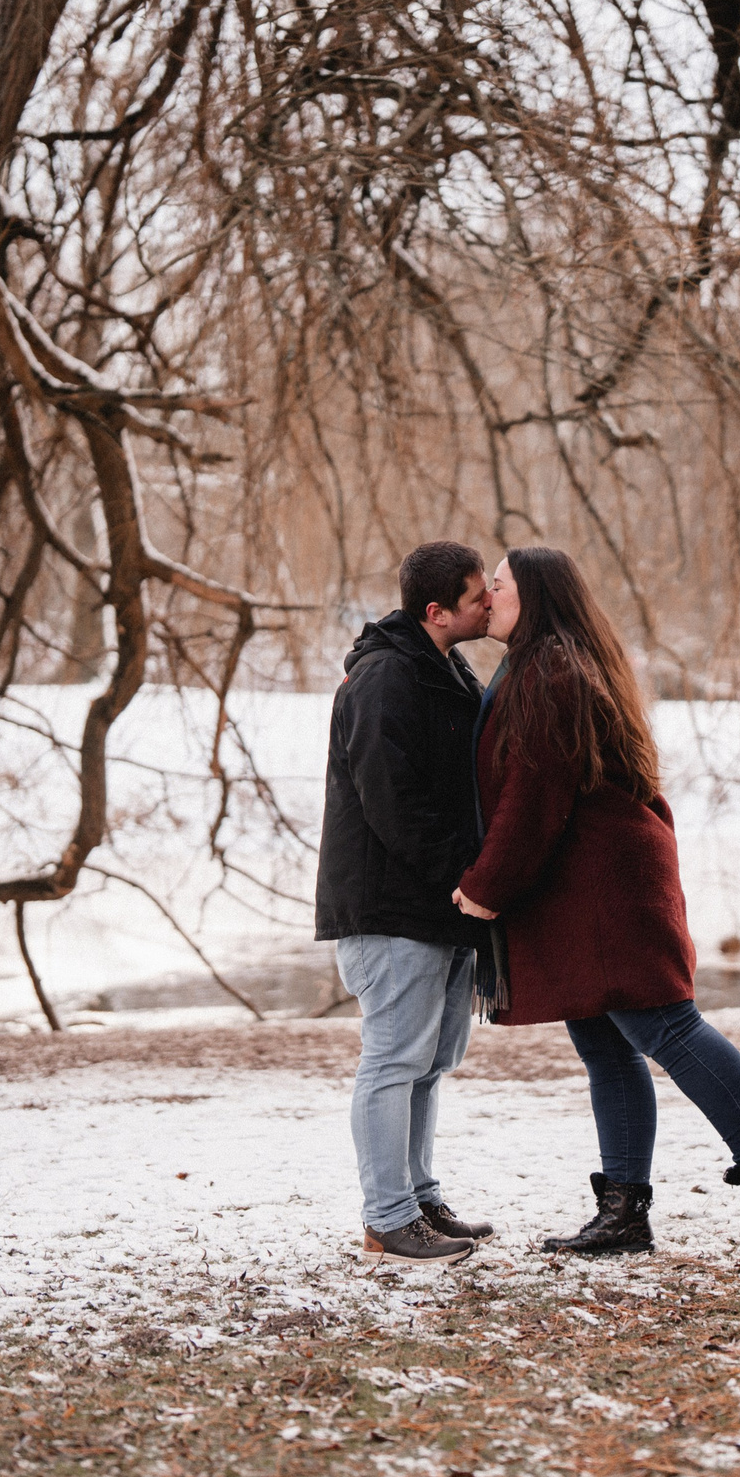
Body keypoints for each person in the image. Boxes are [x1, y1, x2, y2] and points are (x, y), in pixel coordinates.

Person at [455, 548, 740, 1263]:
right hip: (589, 888)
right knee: (605, 1044)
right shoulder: (547, 662)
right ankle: (624, 1210)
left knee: (665, 1026)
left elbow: (534, 799)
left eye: (498, 584)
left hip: (608, 890)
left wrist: (484, 886)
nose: (489, 594)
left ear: (533, 594)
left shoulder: (552, 671)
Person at [316, 541, 500, 1266]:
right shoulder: (387, 678)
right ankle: (387, 1219)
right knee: (393, 1060)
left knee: (426, 1062)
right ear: (437, 610)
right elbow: (393, 804)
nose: (489, 603)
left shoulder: (444, 670)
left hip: (436, 906)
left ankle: (419, 1198)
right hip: (391, 908)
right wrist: (466, 878)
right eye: (478, 594)